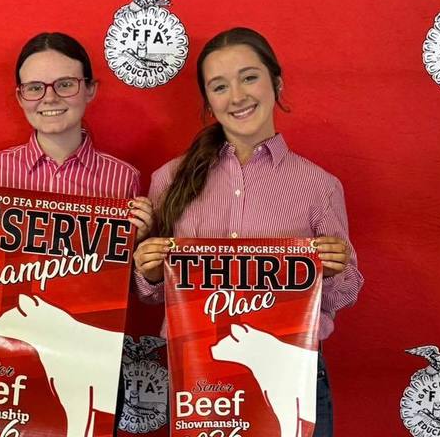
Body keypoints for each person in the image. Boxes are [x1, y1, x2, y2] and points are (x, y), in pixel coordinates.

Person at [132, 27, 361, 437]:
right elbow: (152, 296)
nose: (237, 96)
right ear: (208, 101)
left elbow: (345, 294)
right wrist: (148, 270)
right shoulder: (169, 179)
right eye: (220, 86)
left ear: (276, 82)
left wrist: (333, 268)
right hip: (200, 383)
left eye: (249, 77)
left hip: (295, 374)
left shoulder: (319, 186)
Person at [0, 31, 153, 435]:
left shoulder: (123, 180)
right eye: (35, 88)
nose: (49, 98)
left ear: (90, 89)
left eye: (65, 84)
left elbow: (135, 289)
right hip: (6, 356)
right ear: (20, 97)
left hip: (91, 354)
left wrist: (141, 245)